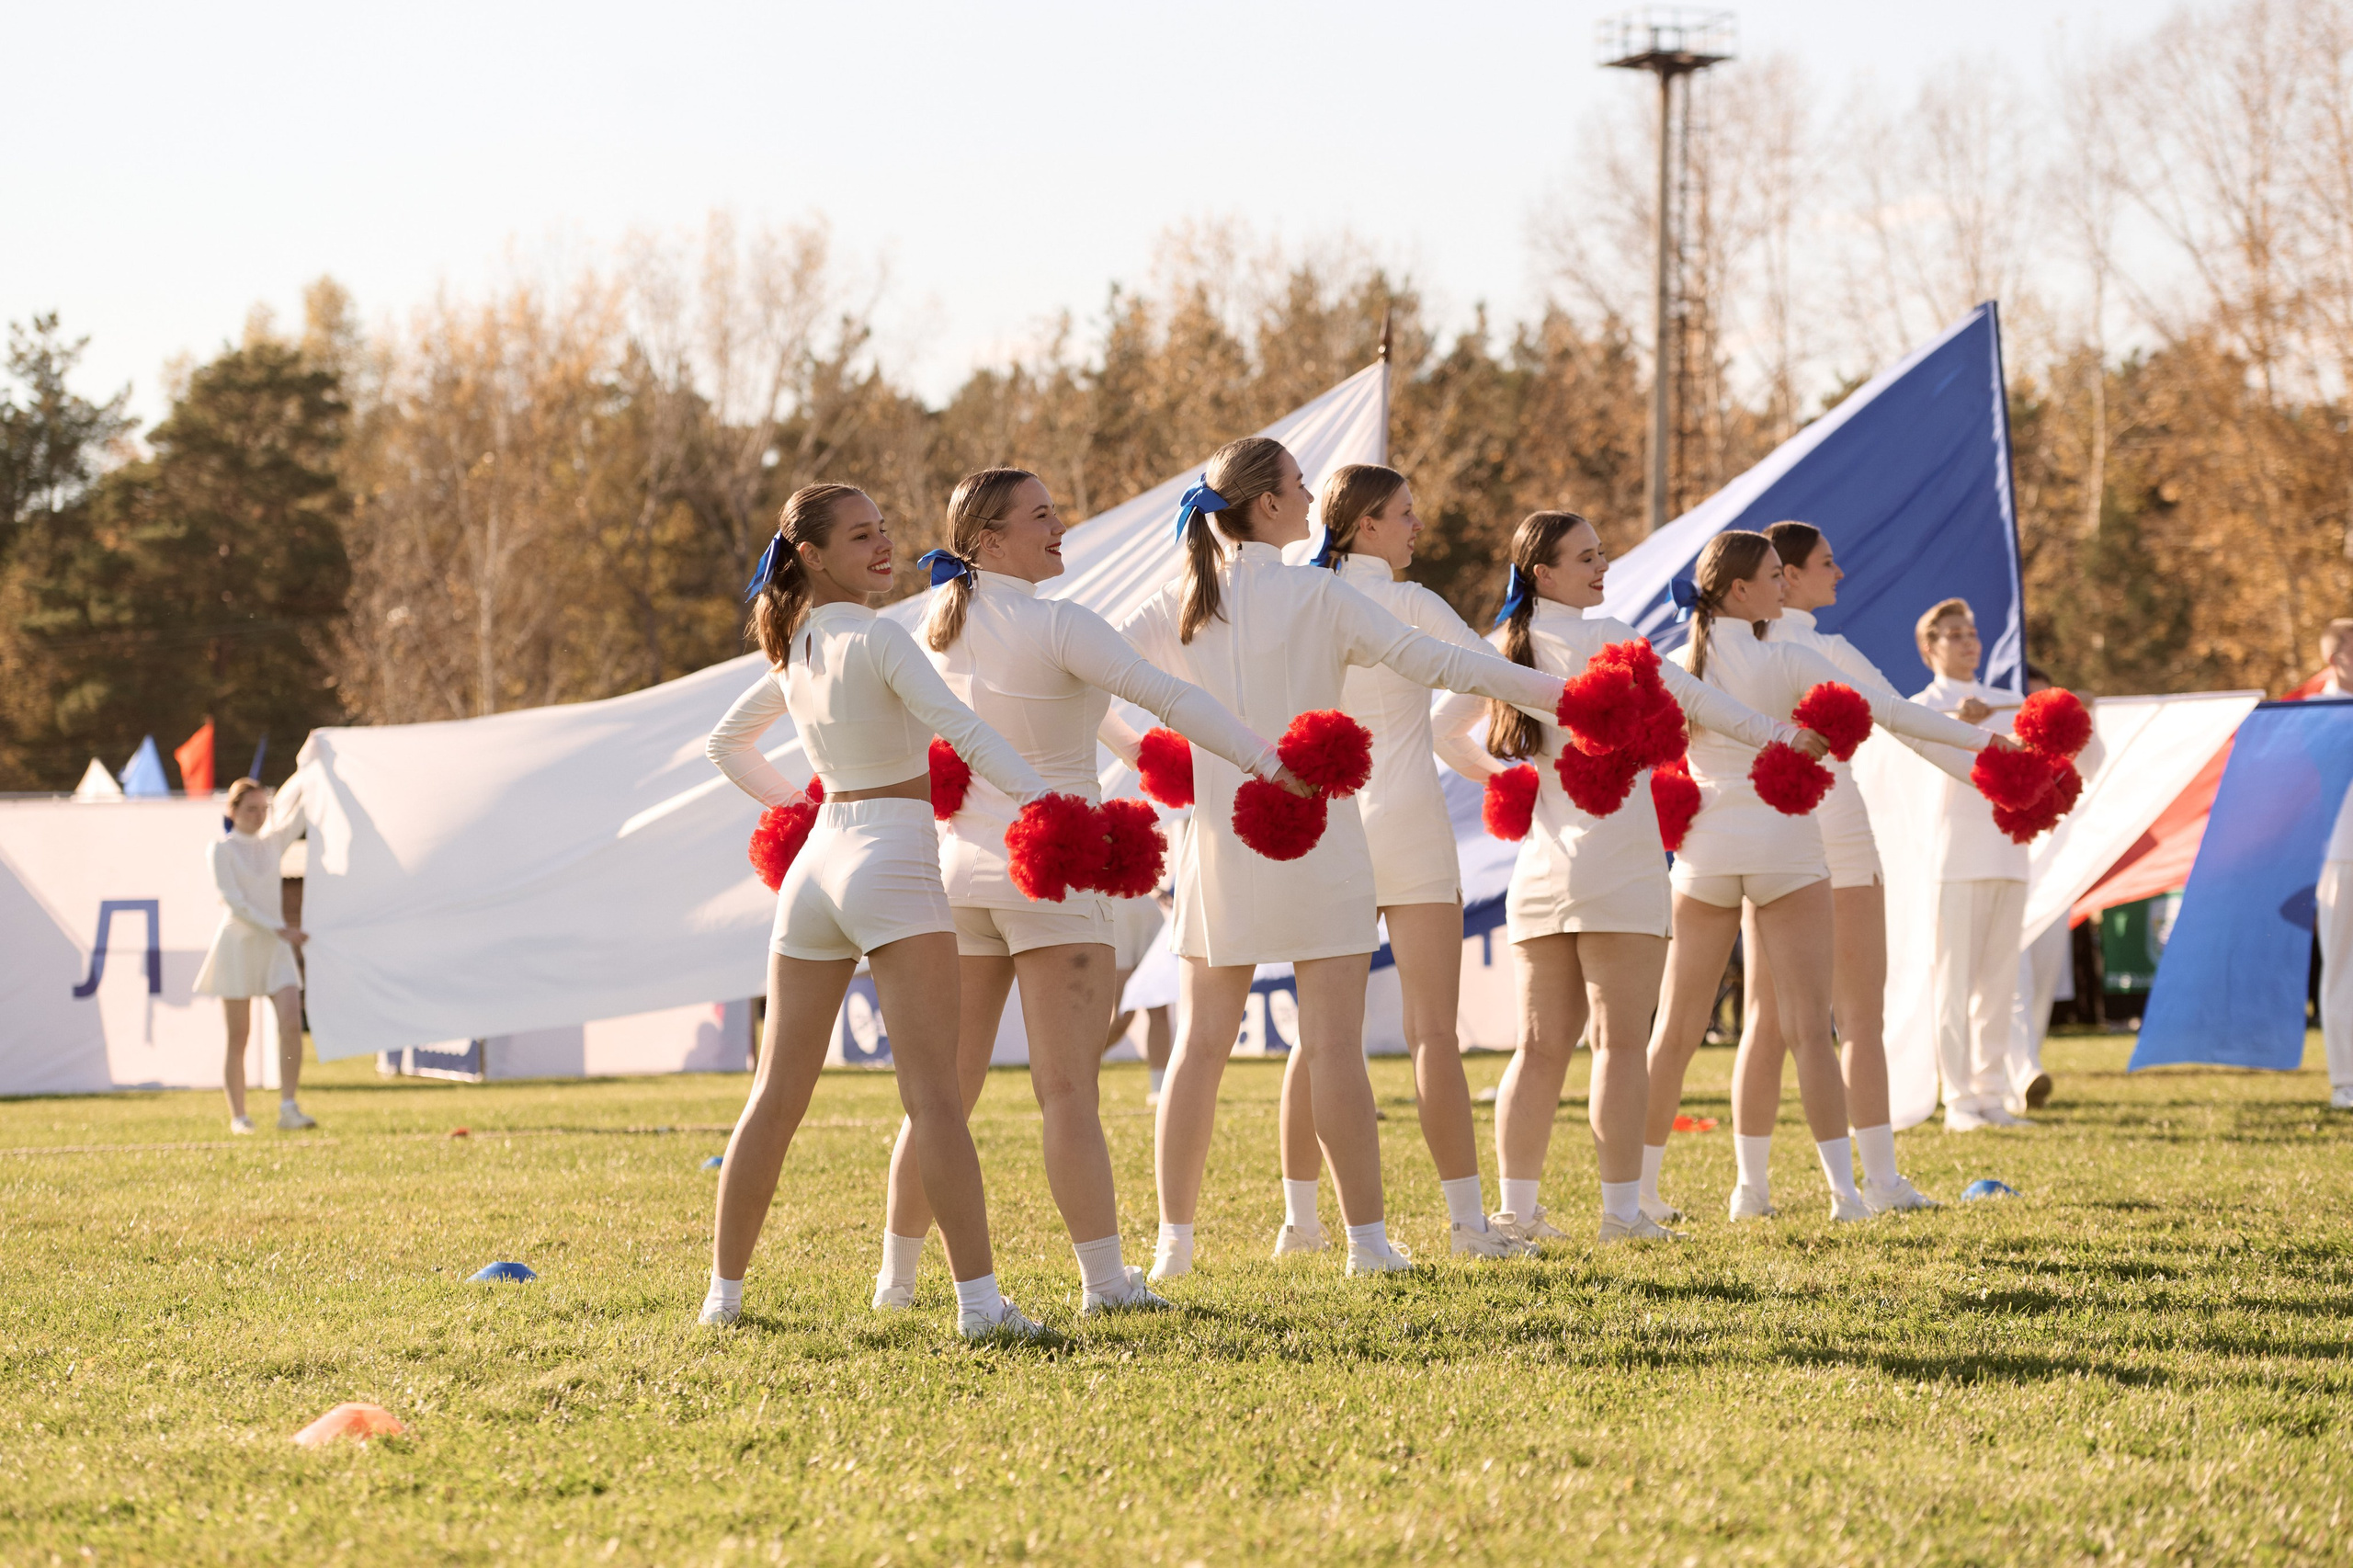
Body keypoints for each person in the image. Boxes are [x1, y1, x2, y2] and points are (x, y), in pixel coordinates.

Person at [1118, 436, 1569, 1279]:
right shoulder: (1314, 595)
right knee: (1332, 1045)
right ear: (1269, 505)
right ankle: (1366, 1245)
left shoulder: (1179, 598)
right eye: (1298, 484)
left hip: (1218, 844)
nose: (1308, 496)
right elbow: (1442, 663)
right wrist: (1566, 698)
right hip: (1321, 839)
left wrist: (1155, 757)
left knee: (1200, 1046)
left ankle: (1173, 1250)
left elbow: (1093, 676)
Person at [872, 467, 1297, 1317]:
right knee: (1067, 1091)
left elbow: (1025, 714)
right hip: (1053, 875)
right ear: (990, 541)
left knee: (942, 1097)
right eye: (1041, 517)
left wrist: (1136, 753)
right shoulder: (1060, 622)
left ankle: (896, 1282)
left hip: (959, 879)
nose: (1060, 526)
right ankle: (1105, 1284)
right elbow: (1173, 698)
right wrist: (1269, 764)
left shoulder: (937, 625)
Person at [703, 482, 1055, 1341]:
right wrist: (1052, 803)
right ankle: (981, 1309)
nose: (885, 545)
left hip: (818, 866)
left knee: (774, 1096)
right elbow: (964, 731)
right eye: (862, 536)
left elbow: (726, 746)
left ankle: (723, 1299)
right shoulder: (879, 635)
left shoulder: (797, 644)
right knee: (935, 1099)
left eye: (884, 529)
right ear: (814, 555)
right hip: (892, 859)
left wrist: (800, 809)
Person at [1431, 512, 1814, 1244]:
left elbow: (1439, 731)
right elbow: (1705, 704)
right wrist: (1783, 735)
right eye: (1586, 557)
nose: (1602, 566)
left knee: (1538, 1048)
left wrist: (1506, 781)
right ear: (1543, 573)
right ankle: (1620, 1215)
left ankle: (1516, 1211)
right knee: (1617, 1046)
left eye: (1602, 554)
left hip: (1541, 871)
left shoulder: (1501, 646)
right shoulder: (1612, 640)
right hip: (1620, 867)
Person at [1643, 535, 2005, 1221]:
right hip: (1789, 845)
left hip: (1703, 853)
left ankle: (1651, 1193)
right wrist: (1992, 748)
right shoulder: (1794, 655)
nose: (1786, 586)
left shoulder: (1674, 662)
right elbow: (1895, 714)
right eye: (1776, 575)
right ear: (1743, 588)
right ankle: (1851, 1191)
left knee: (1682, 1029)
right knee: (1820, 1027)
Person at [1276, 464, 1528, 1262]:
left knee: (1321, 1038)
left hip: (1332, 823)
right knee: (1433, 1034)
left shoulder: (1304, 598)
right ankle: (1467, 1226)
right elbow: (1488, 676)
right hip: (1411, 824)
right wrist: (1450, 734)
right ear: (1364, 525)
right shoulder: (1412, 602)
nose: (1418, 526)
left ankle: (1301, 1224)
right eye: (1405, 514)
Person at [1729, 521, 1950, 1214]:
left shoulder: (1739, 649)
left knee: (1766, 1019)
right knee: (1858, 1017)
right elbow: (1904, 720)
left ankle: (1751, 1188)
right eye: (1827, 563)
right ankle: (1878, 1181)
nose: (1840, 573)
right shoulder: (1820, 649)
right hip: (1831, 836)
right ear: (1788, 575)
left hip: (1770, 835)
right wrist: (1992, 766)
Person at [1909, 597, 2036, 1131]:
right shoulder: (1920, 707)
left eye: (1972, 633)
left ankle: (1990, 1094)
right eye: (1955, 634)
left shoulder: (2009, 702)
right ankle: (1959, 1100)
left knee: (1999, 986)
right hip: (1955, 860)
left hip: (2010, 855)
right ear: (1929, 647)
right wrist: (1963, 725)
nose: (1968, 643)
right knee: (1954, 985)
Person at [193, 776, 313, 1133]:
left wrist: (313, 766)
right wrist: (279, 928)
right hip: (239, 947)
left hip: (275, 947)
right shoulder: (221, 849)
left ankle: (288, 1107)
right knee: (239, 1036)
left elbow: (302, 813)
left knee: (291, 1023)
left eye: (263, 809)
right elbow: (234, 902)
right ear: (232, 811)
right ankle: (240, 1117)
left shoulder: (273, 842)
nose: (258, 816)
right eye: (250, 809)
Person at [2008, 662, 2102, 1112]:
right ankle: (2020, 1070)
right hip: (2005, 872)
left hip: (2054, 881)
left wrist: (2087, 716)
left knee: (2043, 980)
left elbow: (2096, 763)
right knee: (2013, 978)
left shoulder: (2065, 758)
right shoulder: (1995, 742)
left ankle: (2028, 1067)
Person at [2309, 619, 2353, 1109]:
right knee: (2343, 970)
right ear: (2335, 658)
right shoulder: (2316, 714)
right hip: (2340, 854)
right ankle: (2346, 1080)